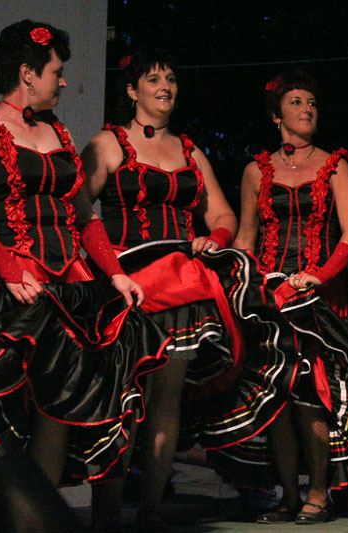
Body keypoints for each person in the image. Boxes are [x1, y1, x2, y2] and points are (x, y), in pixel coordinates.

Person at [0, 20, 167, 489]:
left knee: (59, 405)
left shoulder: (58, 132)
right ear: (27, 73)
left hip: (67, 286)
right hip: (4, 287)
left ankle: (40, 513)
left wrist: (114, 273)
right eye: (57, 72)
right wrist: (11, 272)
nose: (64, 82)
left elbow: (84, 216)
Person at [83, 47, 297, 529]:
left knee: (166, 397)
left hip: (180, 286)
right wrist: (108, 268)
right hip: (128, 285)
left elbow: (222, 214)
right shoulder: (109, 143)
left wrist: (214, 237)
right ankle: (107, 511)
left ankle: (152, 509)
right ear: (132, 90)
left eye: (171, 78)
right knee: (123, 396)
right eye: (153, 79)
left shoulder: (190, 149)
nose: (166, 86)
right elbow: (78, 210)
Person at [234, 70, 348, 525]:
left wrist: (319, 276)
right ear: (276, 116)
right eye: (296, 102)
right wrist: (235, 283)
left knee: (312, 394)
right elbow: (246, 237)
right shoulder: (256, 170)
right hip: (271, 298)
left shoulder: (334, 165)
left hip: (320, 298)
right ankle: (288, 495)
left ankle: (319, 491)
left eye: (312, 102)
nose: (307, 109)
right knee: (276, 396)